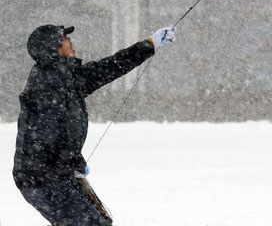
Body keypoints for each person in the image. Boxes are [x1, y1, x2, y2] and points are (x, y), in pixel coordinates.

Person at [13, 23, 176, 225]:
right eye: (64, 39)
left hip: (53, 175)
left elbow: (111, 66)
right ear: (53, 49)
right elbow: (44, 137)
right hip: (42, 179)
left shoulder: (69, 77)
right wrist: (71, 161)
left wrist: (151, 44)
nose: (70, 41)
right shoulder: (47, 86)